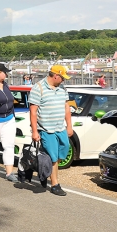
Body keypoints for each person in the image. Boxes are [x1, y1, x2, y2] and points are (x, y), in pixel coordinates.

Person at [28, 65, 74, 196]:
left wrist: (69, 126)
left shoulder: (62, 88)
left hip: (60, 127)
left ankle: (44, 169)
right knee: (53, 156)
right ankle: (55, 184)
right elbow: (33, 111)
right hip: (46, 129)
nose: (64, 81)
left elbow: (66, 107)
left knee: (63, 150)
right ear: (56, 76)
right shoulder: (39, 88)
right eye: (62, 78)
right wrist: (35, 131)